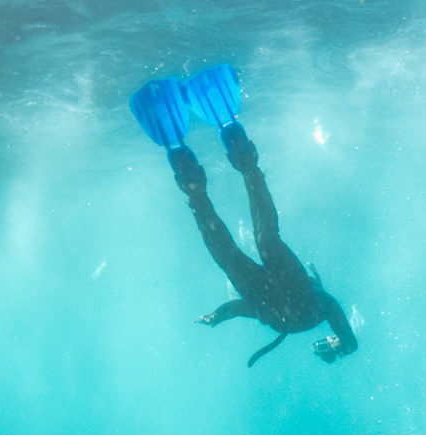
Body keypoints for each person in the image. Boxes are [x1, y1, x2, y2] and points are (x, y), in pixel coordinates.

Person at [130, 65, 358, 367]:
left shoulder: (317, 307)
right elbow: (240, 308)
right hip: (275, 300)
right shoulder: (309, 310)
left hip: (283, 298)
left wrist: (339, 344)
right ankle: (188, 164)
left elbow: (240, 308)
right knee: (235, 249)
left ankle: (234, 153)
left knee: (261, 240)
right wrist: (218, 316)